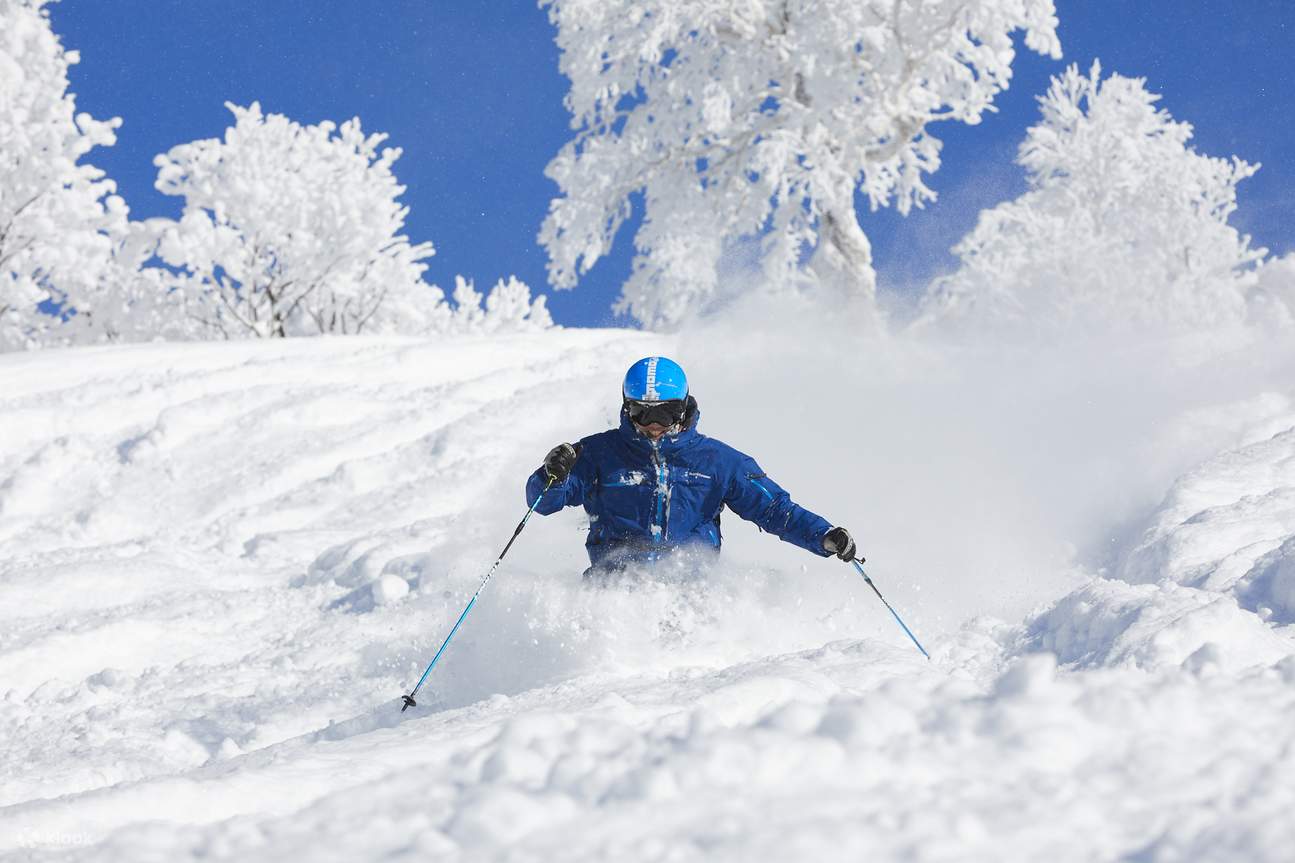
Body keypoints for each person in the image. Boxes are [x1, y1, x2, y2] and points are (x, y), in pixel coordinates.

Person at [526, 356, 858, 575]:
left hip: (690, 593)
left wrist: (824, 535)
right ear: (627, 409)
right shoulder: (598, 453)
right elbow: (542, 504)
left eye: (665, 412)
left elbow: (774, 510)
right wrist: (552, 475)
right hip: (614, 590)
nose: (653, 424)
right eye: (643, 412)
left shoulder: (718, 461)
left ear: (683, 408)